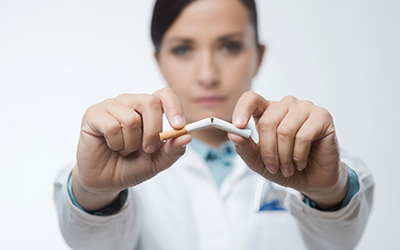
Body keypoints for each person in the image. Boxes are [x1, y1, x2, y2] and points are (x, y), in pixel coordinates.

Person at [54, 0, 374, 249]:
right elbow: (91, 243)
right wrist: (94, 193)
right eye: (183, 49)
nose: (207, 75)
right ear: (159, 60)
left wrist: (329, 193)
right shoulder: (117, 163)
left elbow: (339, 241)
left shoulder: (315, 154)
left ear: (258, 56)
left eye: (229, 46)